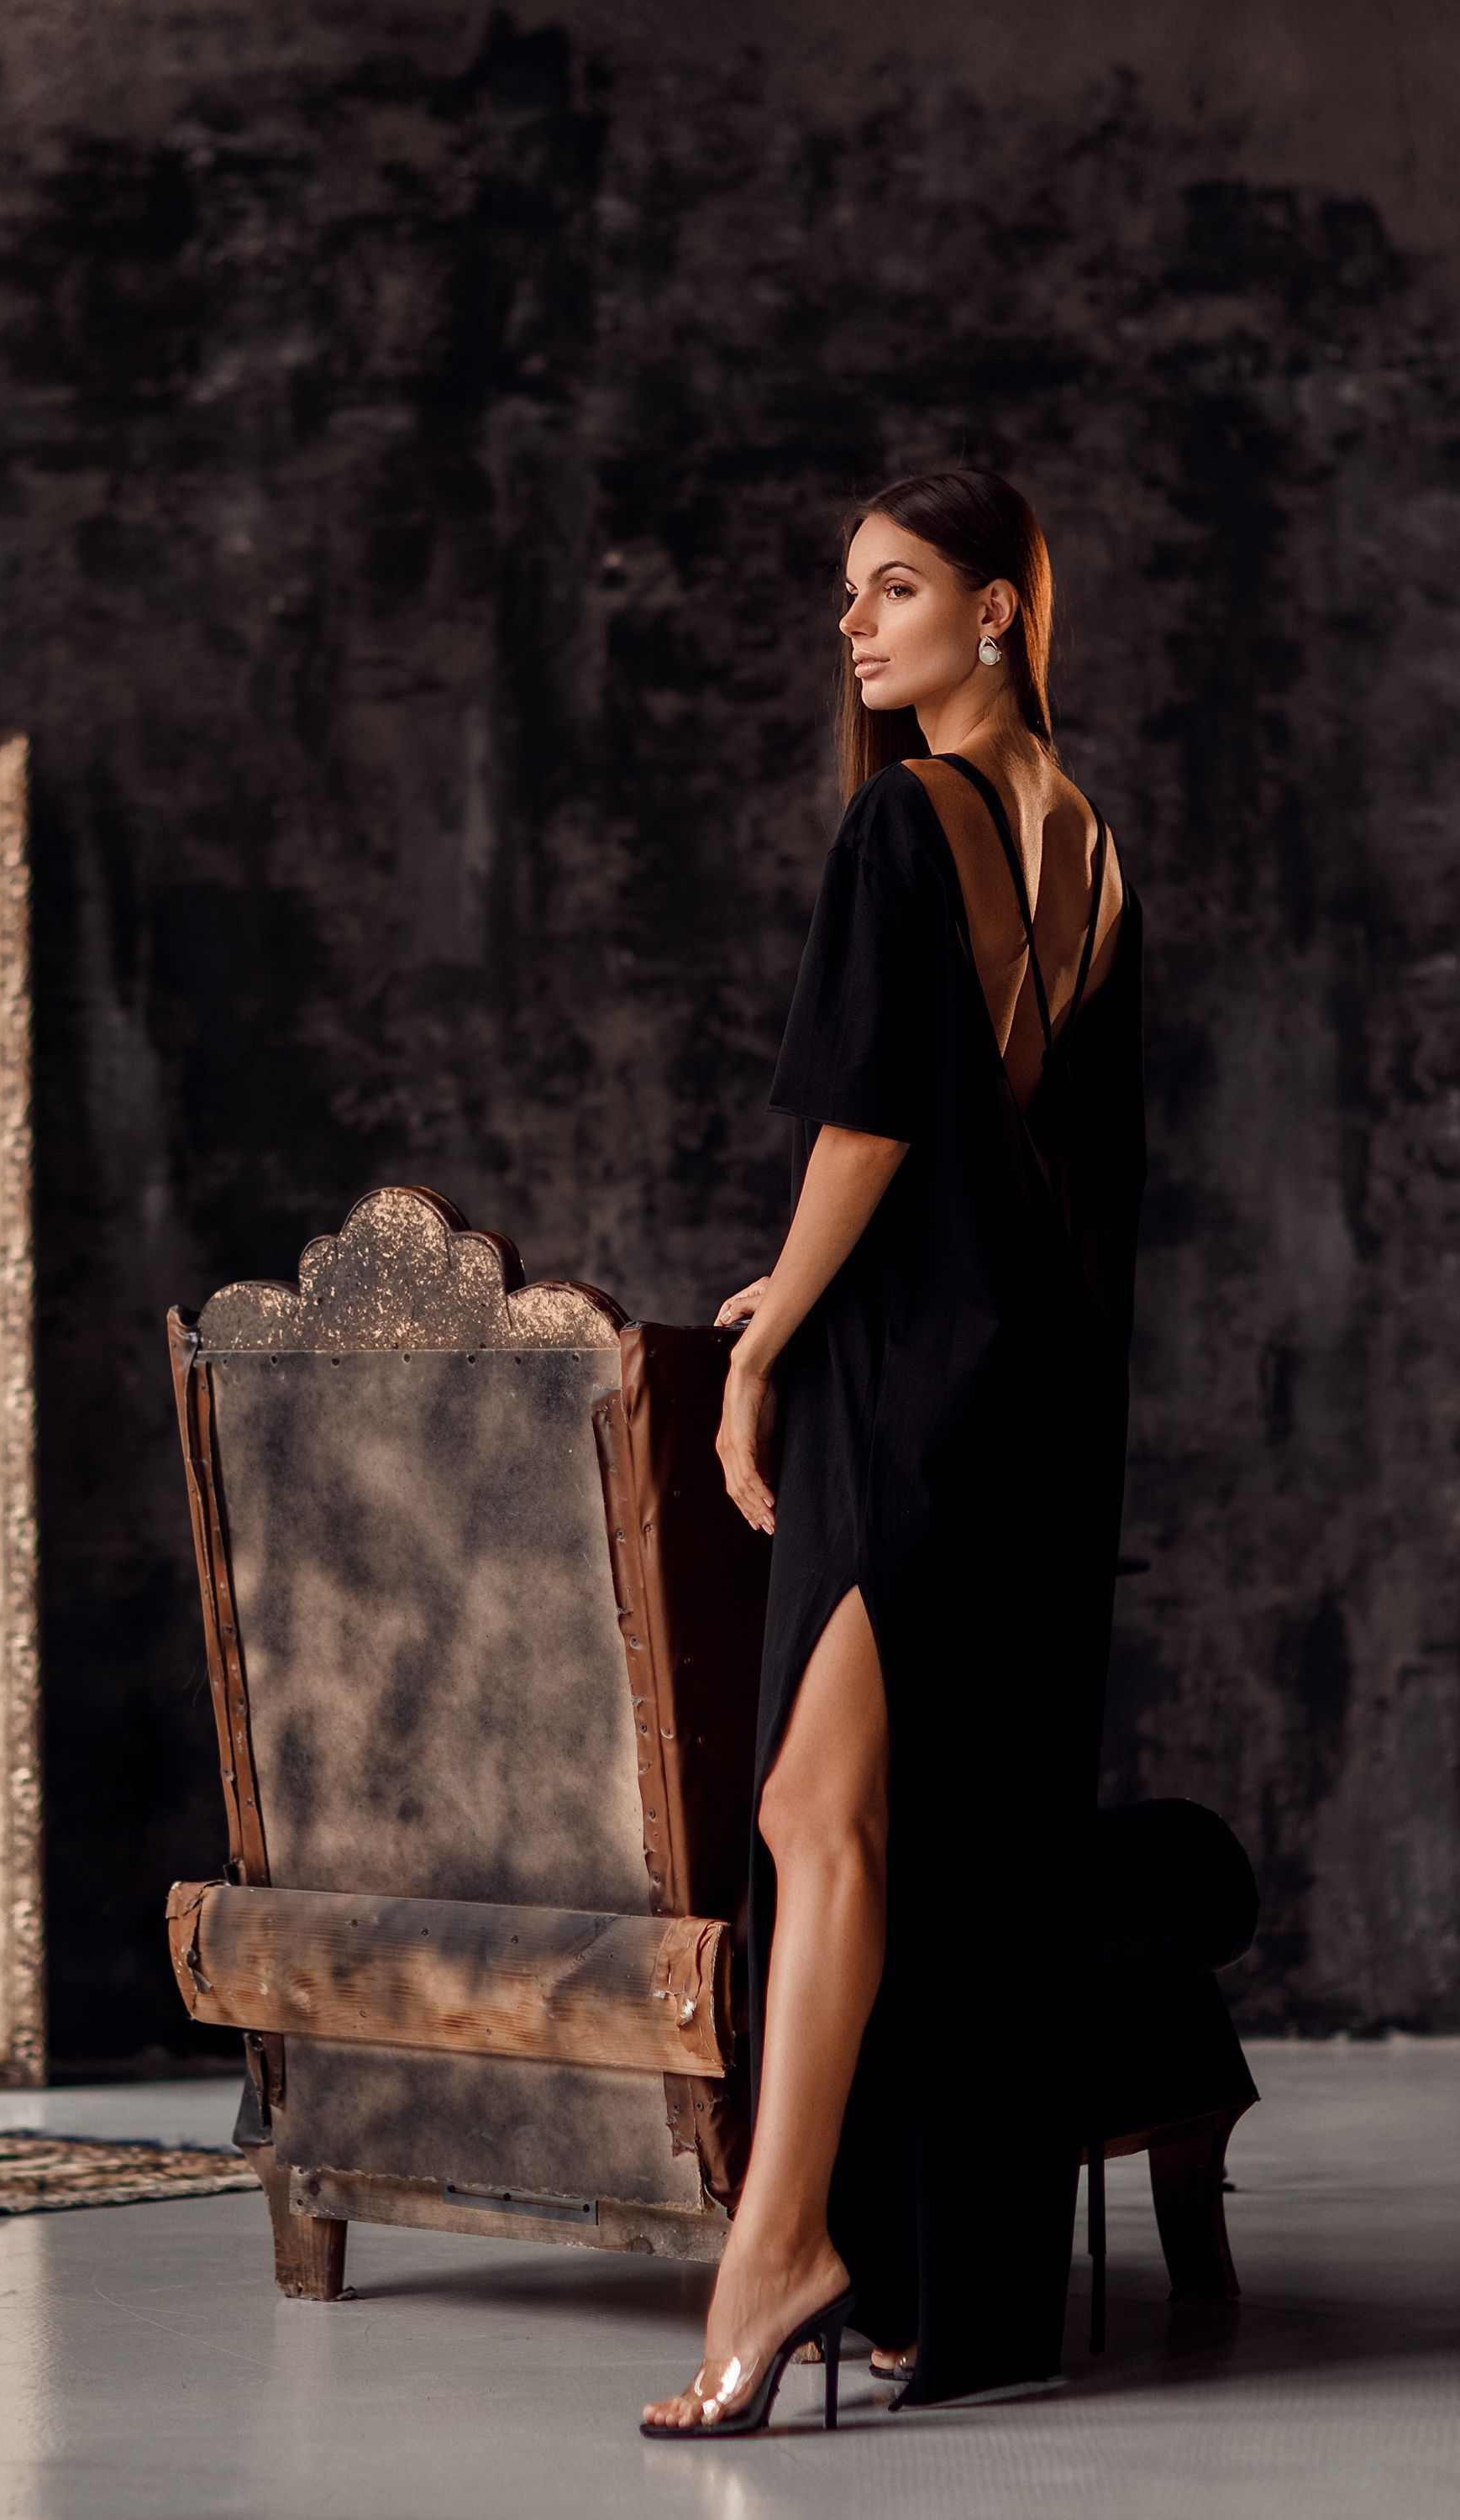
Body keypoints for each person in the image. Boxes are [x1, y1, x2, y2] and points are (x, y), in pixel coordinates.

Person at [641, 467, 1145, 2436]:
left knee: (815, 1817)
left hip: (906, 1378)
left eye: (896, 588)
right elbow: (1041, 1144)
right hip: (1027, 1388)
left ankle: (781, 2250)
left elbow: (872, 1121)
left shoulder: (899, 818)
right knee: (874, 1821)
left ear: (997, 609)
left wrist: (766, 1338)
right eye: (849, 593)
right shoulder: (1089, 839)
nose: (853, 625)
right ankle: (878, 2263)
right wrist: (806, 1285)